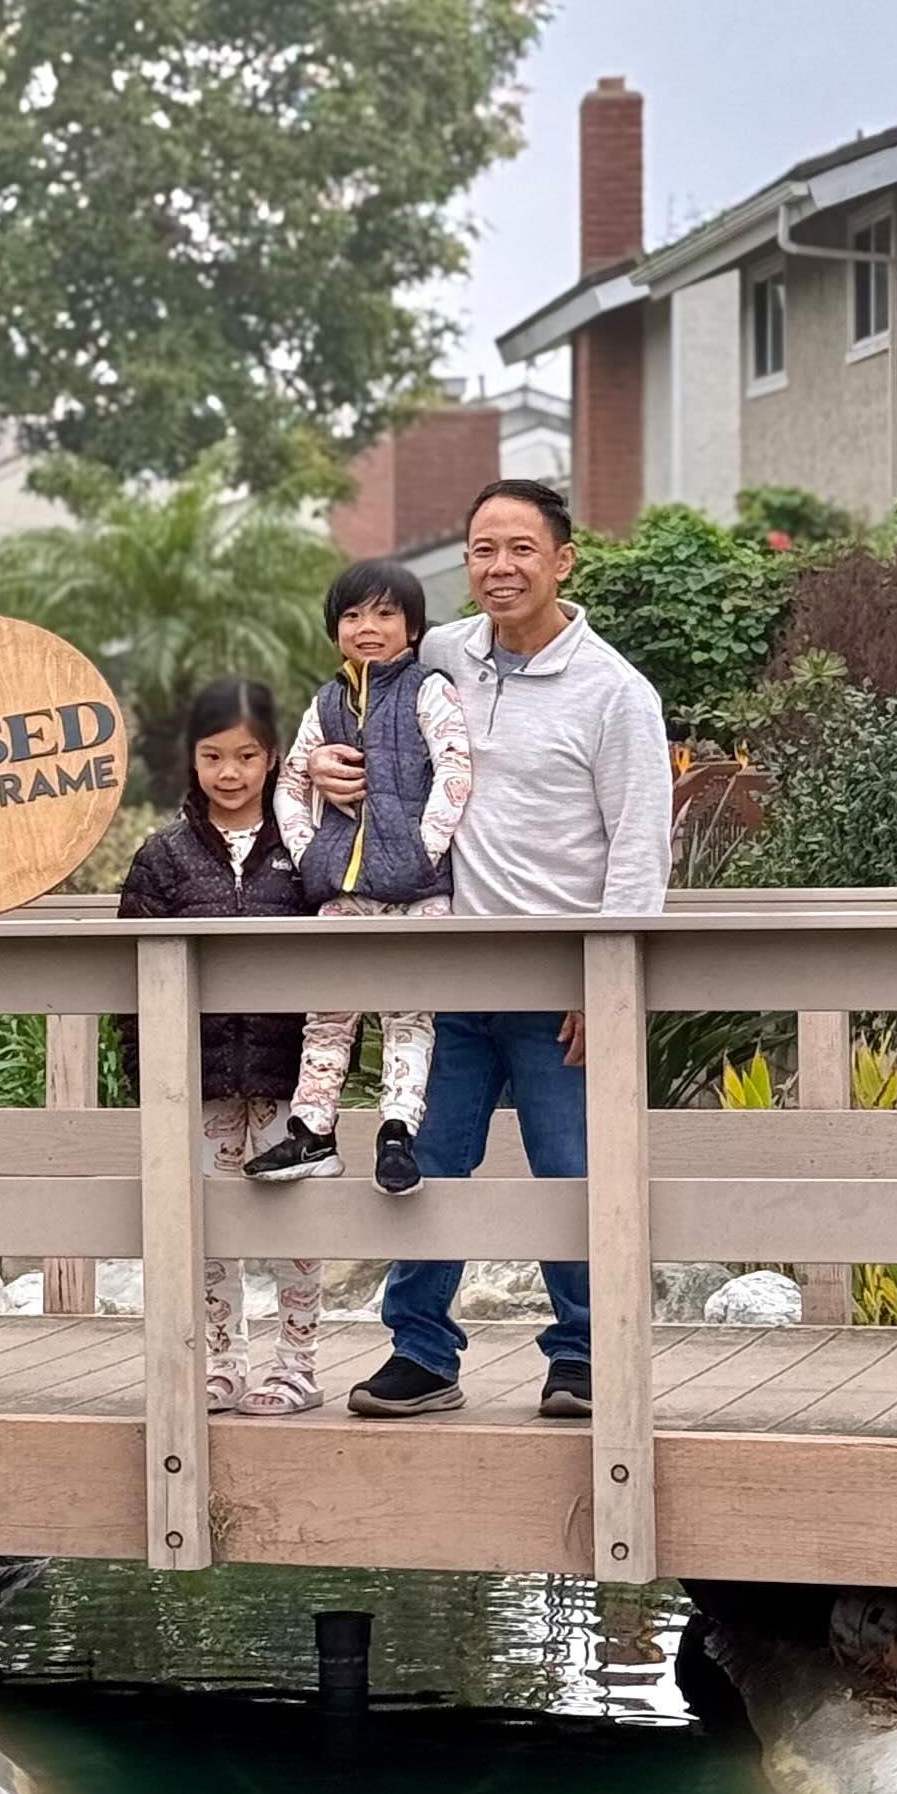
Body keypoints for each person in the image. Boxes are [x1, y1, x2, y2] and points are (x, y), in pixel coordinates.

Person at [342, 478, 671, 1428]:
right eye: (484, 549)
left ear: (563, 561)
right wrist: (320, 763)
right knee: (425, 1164)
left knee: (573, 1173)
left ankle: (585, 1357)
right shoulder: (442, 653)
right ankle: (420, 1353)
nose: (501, 567)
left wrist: (608, 984)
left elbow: (641, 847)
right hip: (448, 972)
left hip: (563, 984)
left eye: (521, 548)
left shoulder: (615, 692)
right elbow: (352, 707)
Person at [116, 678, 324, 1415]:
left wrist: (323, 1081)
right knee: (205, 1224)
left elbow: (338, 963)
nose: (229, 773)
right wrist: (149, 1078)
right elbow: (133, 987)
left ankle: (297, 1364)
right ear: (192, 758)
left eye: (246, 756)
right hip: (196, 1077)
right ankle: (222, 1360)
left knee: (296, 1226)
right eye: (212, 756)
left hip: (287, 1077)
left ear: (273, 758)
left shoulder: (306, 850)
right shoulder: (162, 857)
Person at [245, 556, 473, 1198]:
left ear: (413, 627)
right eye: (351, 615)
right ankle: (312, 1132)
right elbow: (290, 781)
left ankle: (397, 1133)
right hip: (342, 891)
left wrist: (421, 852)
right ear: (335, 629)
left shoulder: (429, 690)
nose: (367, 627)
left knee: (409, 1014)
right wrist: (309, 851)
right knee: (327, 1012)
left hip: (419, 894)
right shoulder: (326, 703)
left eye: (385, 614)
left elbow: (455, 771)